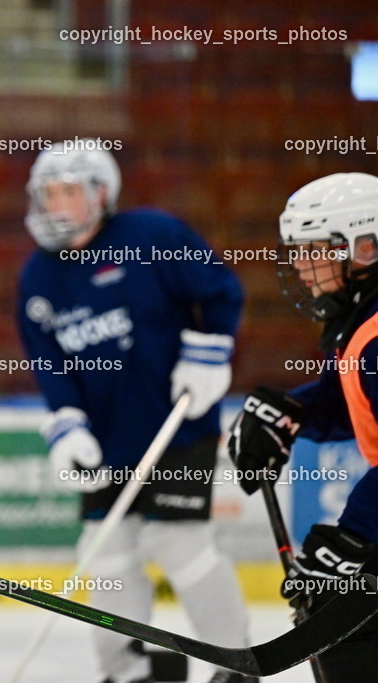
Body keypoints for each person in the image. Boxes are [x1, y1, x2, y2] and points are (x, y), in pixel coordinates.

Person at [16, 141, 254, 683]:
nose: (56, 204)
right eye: (49, 192)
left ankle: (234, 663)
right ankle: (126, 672)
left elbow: (221, 291)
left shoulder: (153, 236)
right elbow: (50, 365)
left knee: (177, 540)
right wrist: (67, 425)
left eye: (69, 191)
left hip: (178, 426)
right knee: (105, 552)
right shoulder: (38, 277)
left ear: (101, 193)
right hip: (107, 440)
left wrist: (209, 352)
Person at [229, 172, 378, 682]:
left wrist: (356, 536)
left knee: (350, 621)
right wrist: (290, 411)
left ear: (365, 249)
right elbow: (348, 398)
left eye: (314, 249)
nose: (299, 264)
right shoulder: (364, 322)